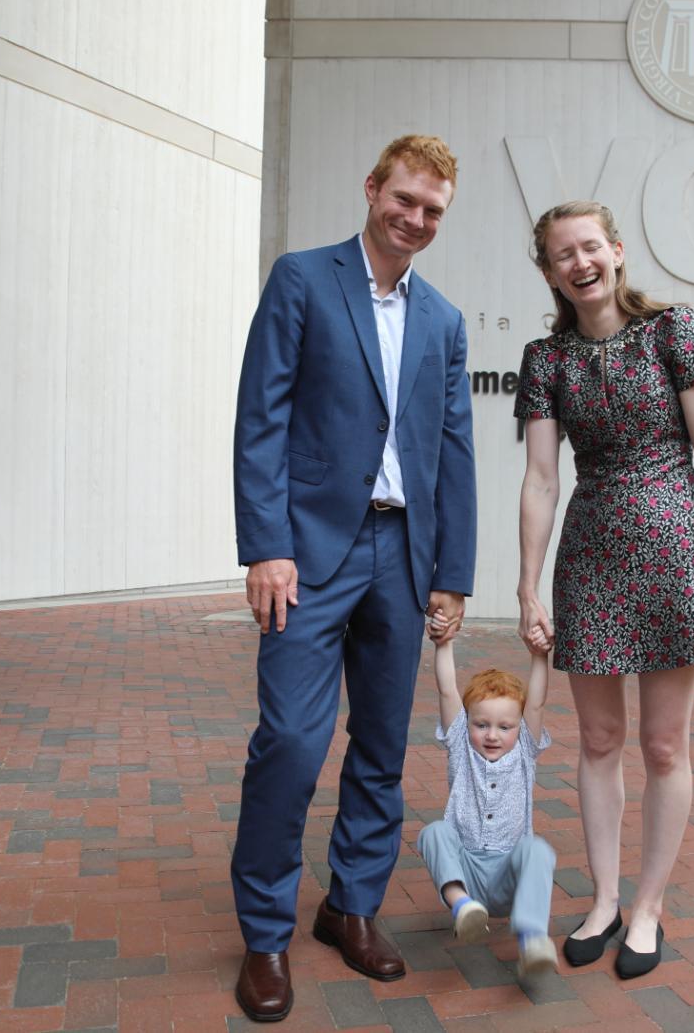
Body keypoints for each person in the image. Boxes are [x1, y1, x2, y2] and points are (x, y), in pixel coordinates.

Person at [230, 135, 477, 1022]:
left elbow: (454, 452)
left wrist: (452, 573)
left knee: (380, 748)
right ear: (372, 188)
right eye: (404, 198)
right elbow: (261, 416)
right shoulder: (303, 279)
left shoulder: (445, 319)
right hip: (307, 556)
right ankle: (265, 935)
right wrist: (265, 544)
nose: (415, 218)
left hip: (403, 559)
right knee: (293, 741)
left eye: (433, 210)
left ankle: (351, 906)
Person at [514, 200, 694, 980]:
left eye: (591, 247)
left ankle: (649, 905)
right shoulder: (546, 361)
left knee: (662, 743)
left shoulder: (674, 330)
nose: (580, 262)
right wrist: (527, 584)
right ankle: (606, 899)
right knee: (601, 741)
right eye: (562, 255)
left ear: (616, 250)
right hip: (591, 556)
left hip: (677, 548)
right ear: (548, 271)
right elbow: (543, 479)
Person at [417, 618, 557, 979]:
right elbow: (448, 691)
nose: (492, 735)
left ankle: (532, 940)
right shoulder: (461, 748)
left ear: (518, 728)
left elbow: (537, 704)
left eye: (504, 727)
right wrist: (443, 643)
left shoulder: (525, 749)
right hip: (465, 873)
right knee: (434, 832)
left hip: (508, 876)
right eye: (482, 725)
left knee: (538, 849)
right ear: (468, 725)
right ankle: (462, 908)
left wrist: (540, 656)